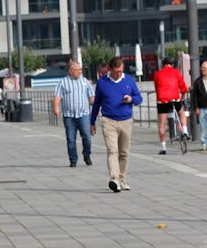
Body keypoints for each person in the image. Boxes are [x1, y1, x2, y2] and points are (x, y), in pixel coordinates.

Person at [89, 57, 142, 192]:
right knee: (112, 150)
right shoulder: (102, 83)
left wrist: (131, 99)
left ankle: (122, 180)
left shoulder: (129, 80)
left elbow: (139, 98)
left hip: (126, 120)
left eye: (121, 71)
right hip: (108, 121)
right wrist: (92, 122)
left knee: (124, 152)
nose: (119, 74)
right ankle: (114, 179)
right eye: (116, 71)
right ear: (110, 69)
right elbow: (96, 104)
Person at [52, 59, 94, 167]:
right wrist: (56, 107)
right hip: (69, 116)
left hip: (83, 114)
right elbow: (57, 96)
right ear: (71, 71)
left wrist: (96, 107)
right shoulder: (63, 82)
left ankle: (87, 155)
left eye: (80, 69)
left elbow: (92, 96)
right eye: (77, 70)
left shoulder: (85, 81)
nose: (80, 71)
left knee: (87, 137)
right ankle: (73, 160)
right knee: (71, 139)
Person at [153, 57, 189, 154]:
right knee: (181, 113)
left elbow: (156, 88)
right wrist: (182, 97)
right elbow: (183, 88)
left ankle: (164, 148)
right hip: (174, 98)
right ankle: (185, 130)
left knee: (162, 123)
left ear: (163, 64)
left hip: (162, 100)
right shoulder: (176, 72)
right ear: (172, 64)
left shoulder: (157, 74)